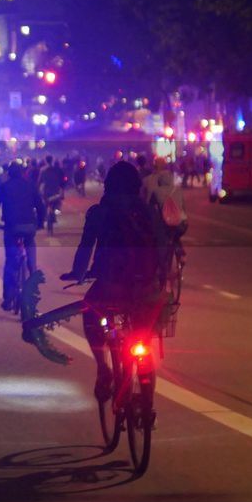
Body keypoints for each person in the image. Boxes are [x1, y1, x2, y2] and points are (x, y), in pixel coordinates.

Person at [59, 161, 168, 404]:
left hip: (111, 286)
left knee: (90, 314)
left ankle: (103, 369)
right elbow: (163, 248)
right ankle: (147, 407)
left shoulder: (99, 213)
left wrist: (78, 274)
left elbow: (85, 248)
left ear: (108, 185)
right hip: (145, 288)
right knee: (143, 341)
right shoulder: (149, 212)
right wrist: (160, 279)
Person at [0, 162, 46, 311]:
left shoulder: (4, 187)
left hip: (11, 229)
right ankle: (33, 281)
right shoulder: (31, 185)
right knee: (31, 256)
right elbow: (41, 207)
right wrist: (40, 223)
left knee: (11, 263)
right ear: (22, 173)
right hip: (29, 228)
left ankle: (8, 299)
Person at [38, 156, 67, 228]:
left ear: (45, 161)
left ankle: (46, 216)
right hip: (55, 191)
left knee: (44, 204)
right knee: (57, 204)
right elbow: (62, 181)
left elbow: (39, 181)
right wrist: (62, 190)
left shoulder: (42, 170)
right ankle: (54, 214)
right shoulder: (57, 170)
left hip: (46, 191)